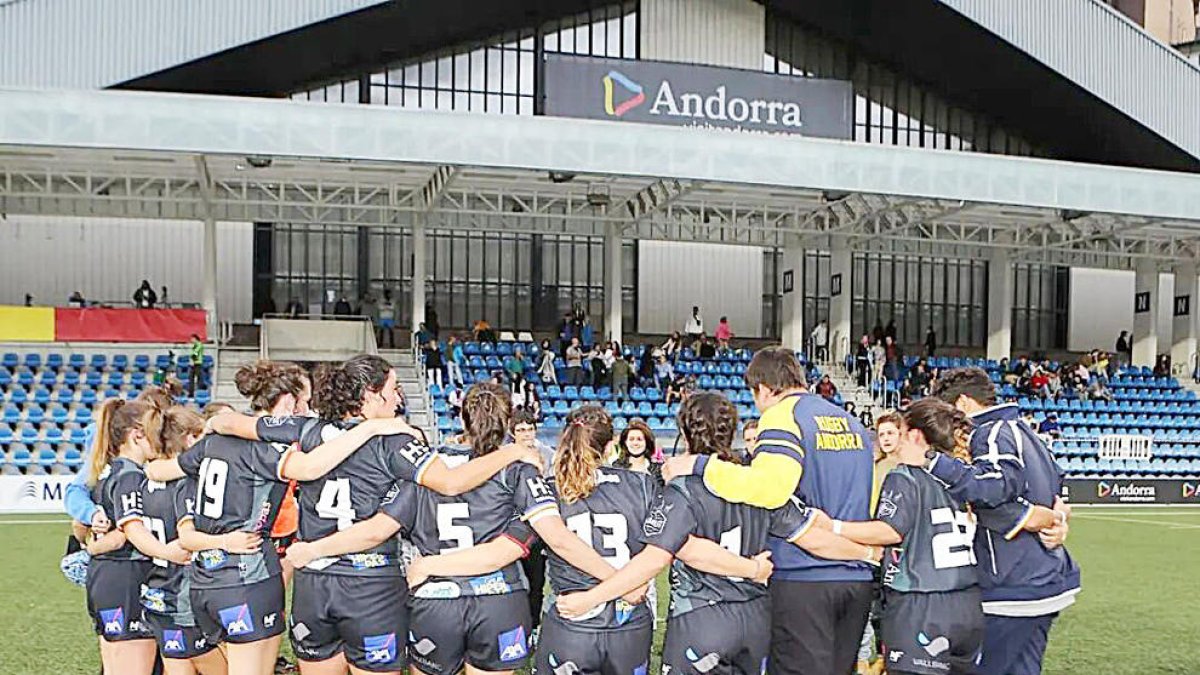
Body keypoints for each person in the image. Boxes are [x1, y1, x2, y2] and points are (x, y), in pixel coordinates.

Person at [207, 357, 545, 675]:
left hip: (314, 585)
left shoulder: (307, 428)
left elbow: (229, 422)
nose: (398, 398)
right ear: (370, 395)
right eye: (393, 389)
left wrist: (214, 422)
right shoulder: (394, 442)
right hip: (369, 585)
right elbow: (452, 482)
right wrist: (513, 452)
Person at [283, 384, 629, 675]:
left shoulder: (425, 469)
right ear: (508, 423)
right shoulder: (520, 468)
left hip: (435, 602)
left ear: (462, 418)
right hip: (498, 600)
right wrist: (620, 582)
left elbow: (377, 529)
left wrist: (314, 548)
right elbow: (538, 540)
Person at [556, 393, 880, 675]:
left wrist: (591, 598)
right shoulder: (759, 485)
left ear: (685, 432)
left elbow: (660, 556)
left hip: (702, 617)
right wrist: (865, 553)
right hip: (755, 618)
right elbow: (812, 537)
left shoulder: (681, 488)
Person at [144, 360, 415, 675]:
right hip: (250, 576)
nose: (310, 411)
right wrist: (370, 427)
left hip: (206, 580)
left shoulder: (216, 441)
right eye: (305, 402)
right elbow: (310, 468)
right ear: (289, 403)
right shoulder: (267, 448)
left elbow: (159, 470)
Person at [661, 346, 876, 675]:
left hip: (803, 576)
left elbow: (770, 490)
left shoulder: (782, 416)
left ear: (762, 389)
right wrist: (865, 552)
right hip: (855, 577)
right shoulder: (852, 423)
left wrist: (702, 465)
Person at [921, 368, 1079, 675]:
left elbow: (993, 487)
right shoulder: (1027, 432)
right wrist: (1057, 517)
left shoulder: (990, 432)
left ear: (963, 402)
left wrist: (934, 462)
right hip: (1045, 580)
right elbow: (1057, 487)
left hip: (1010, 583)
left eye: (950, 412)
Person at [81, 398, 166, 675]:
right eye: (157, 431)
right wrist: (170, 552)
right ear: (137, 435)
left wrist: (93, 547)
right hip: (127, 576)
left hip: (107, 576)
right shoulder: (131, 476)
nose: (162, 439)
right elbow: (127, 533)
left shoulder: (108, 471)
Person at [187, 334, 205, 398]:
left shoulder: (199, 345)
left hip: (197, 363)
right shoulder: (194, 345)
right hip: (193, 364)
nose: (191, 340)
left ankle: (201, 392)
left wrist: (192, 359)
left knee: (199, 378)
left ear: (195, 338)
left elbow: (195, 353)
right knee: (191, 378)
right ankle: (191, 393)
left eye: (192, 339)